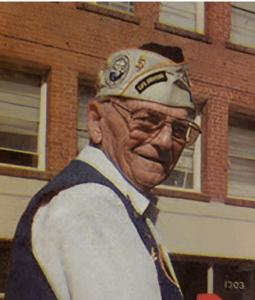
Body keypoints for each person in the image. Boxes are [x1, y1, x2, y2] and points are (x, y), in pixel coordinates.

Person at [6, 43, 201, 300]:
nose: (165, 141)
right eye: (146, 119)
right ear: (96, 121)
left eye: (179, 129)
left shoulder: (118, 203)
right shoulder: (91, 205)